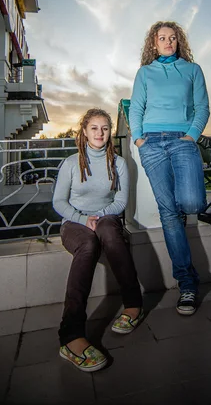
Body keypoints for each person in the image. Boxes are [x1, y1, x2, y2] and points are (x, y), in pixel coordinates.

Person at [53, 108, 143, 373]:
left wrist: (98, 216)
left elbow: (120, 201)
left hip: (106, 217)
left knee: (109, 233)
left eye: (105, 128)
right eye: (94, 128)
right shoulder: (71, 163)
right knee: (89, 245)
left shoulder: (118, 163)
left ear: (110, 132)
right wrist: (83, 220)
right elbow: (59, 201)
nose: (100, 133)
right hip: (74, 222)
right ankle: (70, 336)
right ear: (84, 131)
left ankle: (134, 305)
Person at [129, 21, 210, 316]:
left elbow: (202, 107)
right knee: (168, 212)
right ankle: (187, 284)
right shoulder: (145, 73)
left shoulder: (192, 70)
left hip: (182, 141)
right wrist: (138, 139)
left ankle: (188, 208)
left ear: (179, 42)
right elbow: (136, 107)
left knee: (191, 203)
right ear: (153, 43)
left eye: (172, 38)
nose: (167, 42)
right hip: (150, 143)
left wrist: (191, 136)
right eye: (162, 38)